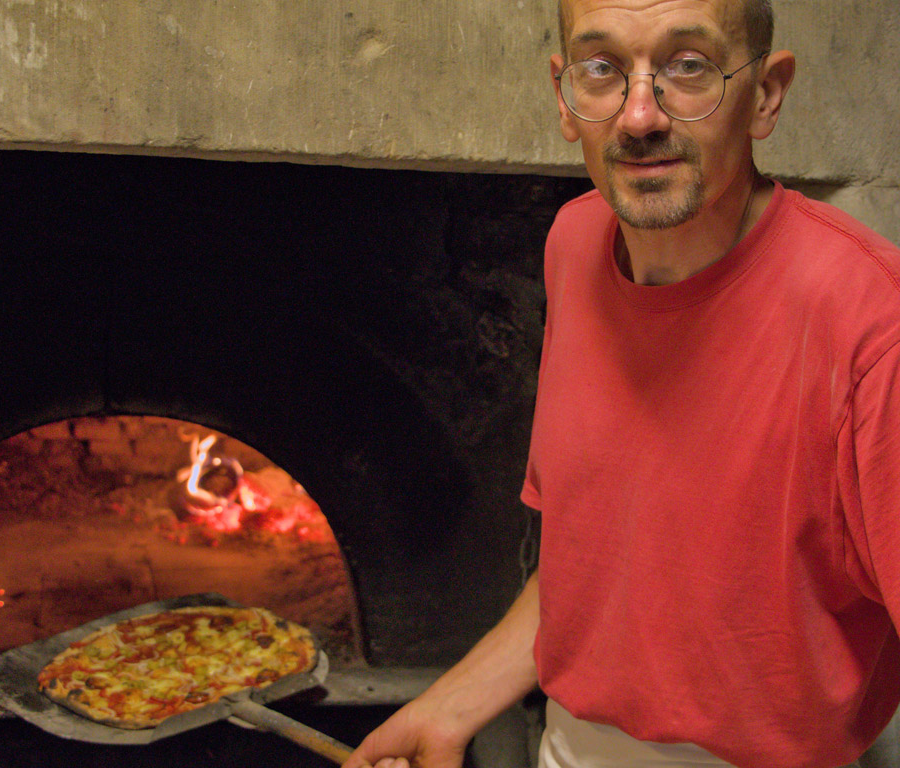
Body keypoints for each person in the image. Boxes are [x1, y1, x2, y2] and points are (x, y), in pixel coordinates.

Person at [342, 0, 900, 766]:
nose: (639, 116)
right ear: (566, 97)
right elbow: (593, 558)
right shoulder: (574, 242)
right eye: (602, 69)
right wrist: (452, 705)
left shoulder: (873, 326)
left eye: (688, 67)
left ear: (766, 94)